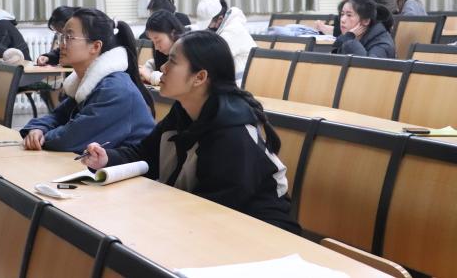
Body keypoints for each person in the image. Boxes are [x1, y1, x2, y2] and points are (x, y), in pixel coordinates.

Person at [82, 30, 300, 234]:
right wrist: (107, 158)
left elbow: (216, 208)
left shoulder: (232, 134)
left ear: (199, 77)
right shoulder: (183, 110)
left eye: (172, 61)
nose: (163, 68)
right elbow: (145, 154)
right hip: (206, 224)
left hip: (260, 232)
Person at [20, 8, 155, 152]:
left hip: (129, 166)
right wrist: (38, 129)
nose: (61, 44)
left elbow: (71, 139)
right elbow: (58, 116)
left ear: (95, 46)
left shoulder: (115, 89)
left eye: (69, 37)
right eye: (61, 37)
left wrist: (41, 137)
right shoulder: (88, 82)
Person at [193, 0, 256, 86]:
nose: (207, 29)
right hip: (229, 79)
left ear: (220, 19)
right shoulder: (223, 28)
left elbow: (212, 60)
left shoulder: (232, 31)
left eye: (208, 26)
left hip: (243, 82)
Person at [139, 10, 186, 86]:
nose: (156, 47)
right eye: (153, 42)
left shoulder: (187, 52)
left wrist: (150, 76)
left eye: (158, 41)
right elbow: (155, 63)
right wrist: (144, 70)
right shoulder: (163, 54)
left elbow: (178, 79)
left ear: (173, 33)